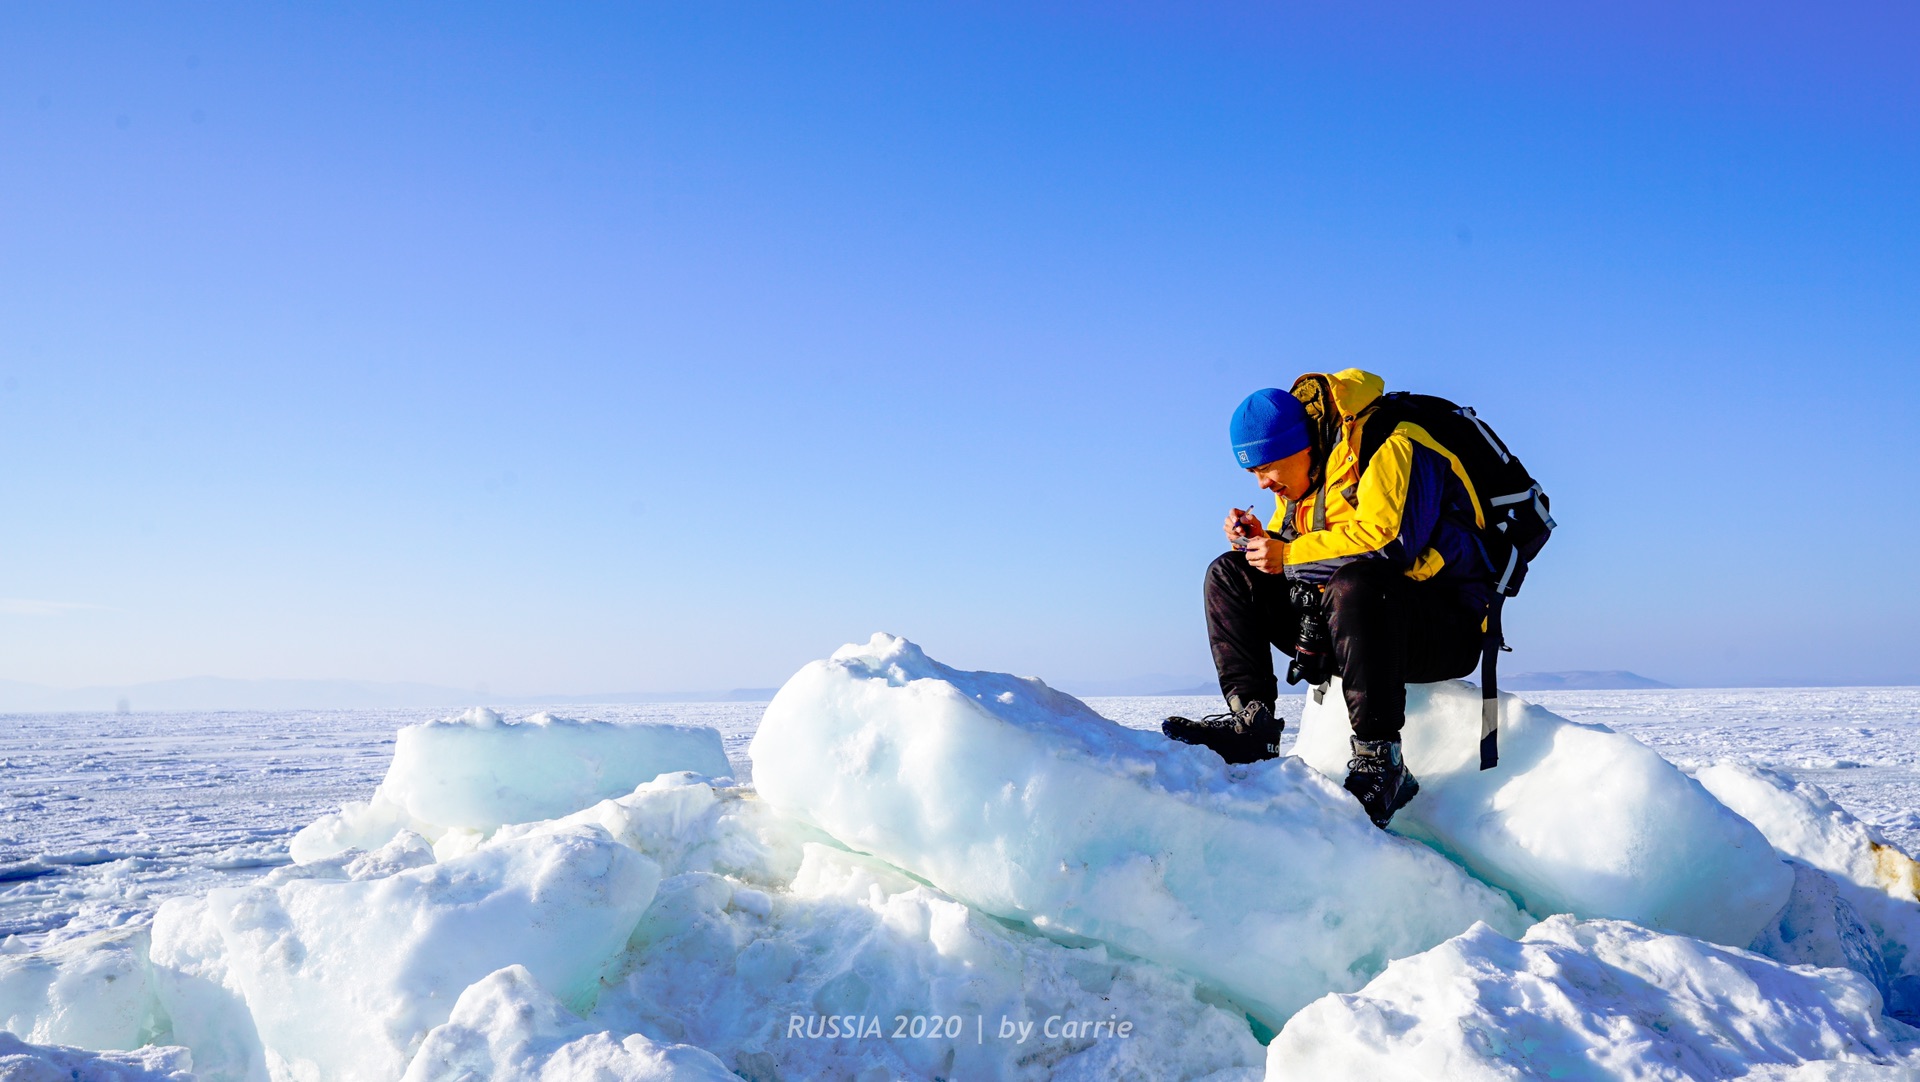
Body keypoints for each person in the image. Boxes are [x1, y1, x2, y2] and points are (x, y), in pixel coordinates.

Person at [1163, 369, 1493, 829]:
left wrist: (1288, 555)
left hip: (1441, 624)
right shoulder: (1311, 473)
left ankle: (1382, 760)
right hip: (1356, 627)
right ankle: (1252, 726)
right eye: (1252, 473)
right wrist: (1263, 542)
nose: (1260, 484)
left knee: (1357, 580)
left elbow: (1390, 545)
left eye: (1264, 469)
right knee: (1229, 573)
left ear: (1298, 449)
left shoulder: (1391, 442)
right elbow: (1301, 547)